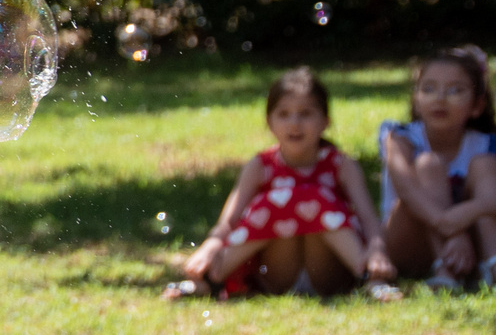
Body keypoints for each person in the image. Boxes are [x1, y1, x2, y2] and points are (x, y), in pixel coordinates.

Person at [170, 67, 394, 299]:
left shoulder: (341, 165)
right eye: (284, 114)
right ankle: (210, 278)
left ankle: (370, 277)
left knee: (310, 197)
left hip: (329, 273)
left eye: (305, 113)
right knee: (277, 201)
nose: (294, 123)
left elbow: (369, 219)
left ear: (325, 121)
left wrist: (377, 252)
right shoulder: (259, 166)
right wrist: (210, 247)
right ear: (269, 122)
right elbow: (228, 222)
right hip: (278, 274)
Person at [376, 45, 496, 291]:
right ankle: (444, 268)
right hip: (407, 241)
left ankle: (492, 262)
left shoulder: (486, 144)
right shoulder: (399, 137)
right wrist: (449, 227)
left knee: (484, 166)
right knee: (429, 164)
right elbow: (407, 191)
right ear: (416, 100)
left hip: (469, 246)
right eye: (428, 89)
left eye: (455, 90)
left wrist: (459, 220)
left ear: (477, 105)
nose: (440, 98)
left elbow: (492, 200)